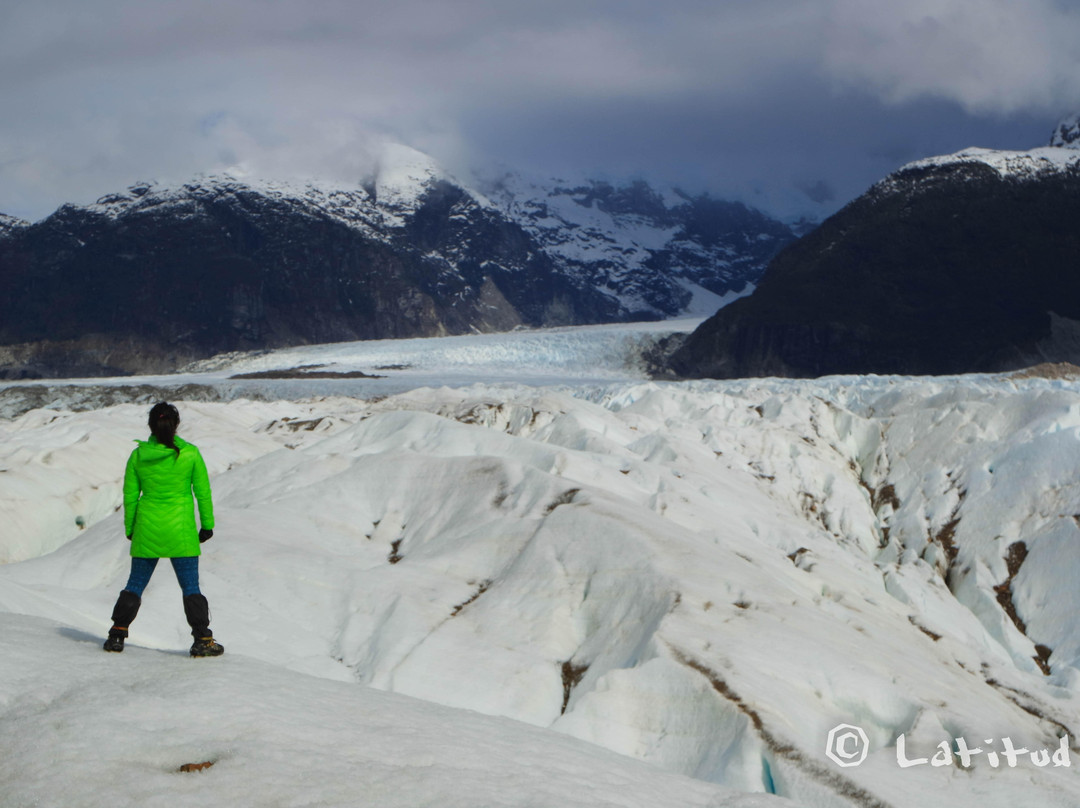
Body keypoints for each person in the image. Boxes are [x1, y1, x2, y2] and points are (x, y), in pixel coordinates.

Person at [103, 401, 224, 657]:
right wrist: (208, 525)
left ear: (150, 426)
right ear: (176, 424)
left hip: (147, 525)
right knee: (191, 587)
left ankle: (117, 634)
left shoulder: (138, 455)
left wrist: (130, 527)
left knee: (135, 584)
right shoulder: (190, 453)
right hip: (181, 529)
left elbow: (130, 495)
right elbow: (202, 493)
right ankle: (203, 639)